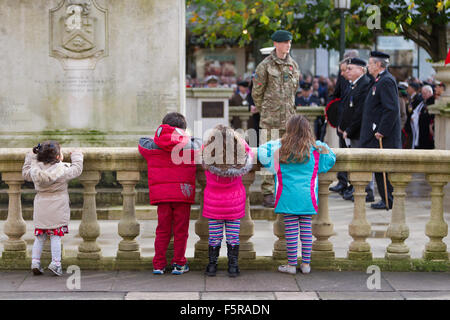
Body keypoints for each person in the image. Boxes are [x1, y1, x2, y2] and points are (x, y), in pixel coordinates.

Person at [258, 115, 336, 274]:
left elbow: (261, 152)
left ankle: (292, 265)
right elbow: (330, 159)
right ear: (308, 131)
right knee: (306, 231)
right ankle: (306, 265)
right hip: (308, 197)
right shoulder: (315, 152)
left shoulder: (280, 151)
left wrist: (279, 141)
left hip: (287, 197)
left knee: (291, 232)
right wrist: (318, 143)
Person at [138, 112, 201, 275]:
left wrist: (160, 134)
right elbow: (201, 145)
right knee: (181, 230)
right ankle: (179, 264)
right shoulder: (189, 146)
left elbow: (141, 142)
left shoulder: (153, 146)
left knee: (162, 230)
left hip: (162, 195)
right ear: (183, 130)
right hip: (183, 193)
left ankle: (158, 264)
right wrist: (187, 137)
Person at [252, 30, 300, 207]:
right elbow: (257, 93)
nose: (288, 45)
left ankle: (284, 189)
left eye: (289, 42)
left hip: (289, 120)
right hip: (269, 120)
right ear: (276, 44)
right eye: (285, 42)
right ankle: (268, 192)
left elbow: (294, 91)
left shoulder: (293, 65)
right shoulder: (264, 66)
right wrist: (267, 109)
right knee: (267, 156)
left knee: (287, 156)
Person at [22, 141, 83, 276]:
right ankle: (55, 263)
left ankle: (35, 262)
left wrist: (31, 157)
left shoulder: (34, 170)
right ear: (58, 157)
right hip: (58, 207)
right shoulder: (63, 170)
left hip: (41, 207)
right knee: (55, 237)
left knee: (39, 237)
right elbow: (77, 169)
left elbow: (25, 172)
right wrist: (77, 155)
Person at [202, 125, 254, 277]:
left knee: (214, 236)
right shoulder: (239, 158)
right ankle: (233, 266)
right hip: (234, 203)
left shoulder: (208, 156)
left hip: (214, 203)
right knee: (233, 236)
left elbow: (201, 152)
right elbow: (248, 152)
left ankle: (212, 266)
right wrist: (238, 141)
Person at [360, 51, 402, 210]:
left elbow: (391, 109)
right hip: (376, 135)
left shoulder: (386, 81)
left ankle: (389, 199)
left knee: (384, 170)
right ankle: (385, 198)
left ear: (378, 65)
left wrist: (382, 130)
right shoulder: (379, 80)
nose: (368, 66)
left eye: (370, 63)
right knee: (379, 168)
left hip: (384, 137)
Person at [337, 57, 374, 202]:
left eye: (350, 69)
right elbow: (346, 107)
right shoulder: (354, 85)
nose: (347, 72)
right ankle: (357, 189)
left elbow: (360, 112)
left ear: (361, 70)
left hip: (359, 132)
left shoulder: (365, 84)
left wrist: (350, 129)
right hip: (351, 131)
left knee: (362, 163)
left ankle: (366, 192)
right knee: (355, 164)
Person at [411, 85, 435, 149]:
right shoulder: (424, 102)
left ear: (430, 92)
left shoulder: (432, 102)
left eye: (425, 93)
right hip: (421, 131)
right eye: (422, 94)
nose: (423, 95)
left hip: (427, 131)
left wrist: (421, 115)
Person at [403, 81, 423, 148]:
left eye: (408, 88)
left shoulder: (417, 99)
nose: (407, 90)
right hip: (409, 125)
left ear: (412, 89)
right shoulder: (411, 98)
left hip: (413, 125)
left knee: (411, 142)